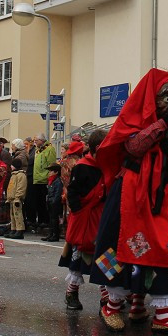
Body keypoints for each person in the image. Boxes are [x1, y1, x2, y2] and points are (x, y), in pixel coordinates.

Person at [89, 68, 168, 336]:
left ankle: (162, 313)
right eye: (166, 97)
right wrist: (161, 127)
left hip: (162, 197)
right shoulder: (133, 120)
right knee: (125, 246)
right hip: (132, 196)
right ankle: (113, 305)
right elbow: (134, 146)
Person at [60, 129, 109, 310]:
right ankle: (71, 292)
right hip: (85, 218)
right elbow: (73, 192)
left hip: (101, 217)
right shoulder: (82, 166)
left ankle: (106, 296)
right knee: (81, 256)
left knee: (104, 256)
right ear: (98, 147)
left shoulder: (106, 165)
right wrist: (79, 214)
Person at [30, 136, 56, 234]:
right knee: (39, 202)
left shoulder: (49, 149)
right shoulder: (38, 150)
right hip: (37, 179)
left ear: (42, 141)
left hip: (44, 179)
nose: (35, 142)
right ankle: (41, 220)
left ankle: (45, 220)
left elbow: (51, 164)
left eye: (36, 141)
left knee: (44, 202)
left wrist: (48, 176)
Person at [5, 150, 28, 239]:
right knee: (12, 216)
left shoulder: (20, 175)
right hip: (12, 199)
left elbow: (21, 188)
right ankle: (13, 229)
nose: (10, 166)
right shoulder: (13, 175)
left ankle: (20, 230)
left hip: (16, 199)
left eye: (12, 165)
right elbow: (10, 188)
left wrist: (18, 197)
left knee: (18, 215)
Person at [44, 163, 64, 243]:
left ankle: (55, 235)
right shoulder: (51, 180)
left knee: (54, 219)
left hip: (54, 203)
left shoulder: (57, 181)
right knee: (51, 219)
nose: (49, 172)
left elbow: (58, 193)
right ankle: (51, 234)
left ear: (56, 172)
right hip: (50, 201)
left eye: (51, 171)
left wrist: (54, 201)